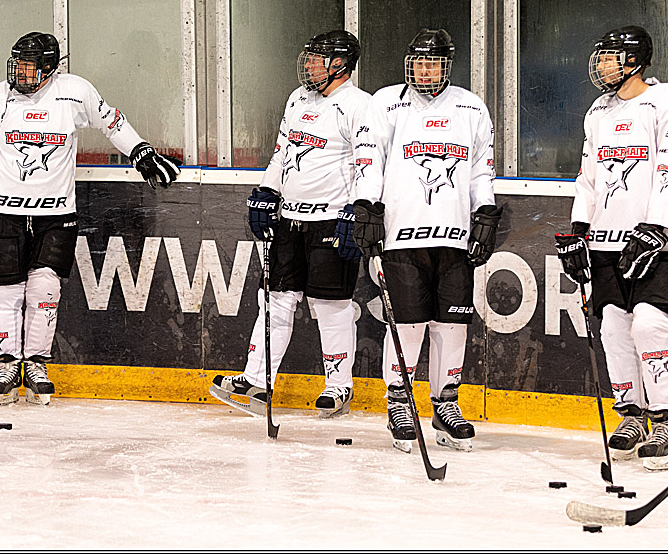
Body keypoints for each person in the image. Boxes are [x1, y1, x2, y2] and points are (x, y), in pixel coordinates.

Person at [0, 32, 180, 406]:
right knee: (6, 291)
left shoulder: (75, 92)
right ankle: (8, 364)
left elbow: (112, 122)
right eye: (16, 65)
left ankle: (37, 364)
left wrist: (140, 151)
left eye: (28, 66)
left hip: (56, 213)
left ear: (49, 67)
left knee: (45, 289)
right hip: (2, 211)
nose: (19, 73)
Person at [556, 25, 668, 471]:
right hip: (605, 240)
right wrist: (579, 229)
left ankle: (665, 421)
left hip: (658, 243)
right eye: (600, 57)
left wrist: (656, 228)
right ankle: (632, 413)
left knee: (650, 327)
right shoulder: (598, 111)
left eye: (609, 57)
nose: (600, 65)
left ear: (634, 60)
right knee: (614, 327)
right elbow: (590, 178)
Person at [352, 28, 500, 452]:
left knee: (453, 325)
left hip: (454, 237)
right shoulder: (386, 102)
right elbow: (369, 157)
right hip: (401, 237)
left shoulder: (471, 107)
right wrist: (367, 206)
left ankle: (445, 404)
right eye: (417, 62)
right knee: (409, 323)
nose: (424, 69)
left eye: (432, 62)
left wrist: (484, 212)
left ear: (447, 66)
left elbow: (479, 170)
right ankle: (399, 400)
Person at [209, 30, 369, 418]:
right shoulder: (298, 98)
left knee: (331, 304)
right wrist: (267, 190)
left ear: (340, 64)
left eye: (318, 58)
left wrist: (358, 209)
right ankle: (258, 381)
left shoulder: (358, 105)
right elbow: (283, 153)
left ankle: (338, 387)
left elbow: (368, 162)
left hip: (332, 220)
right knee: (276, 299)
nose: (309, 64)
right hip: (290, 219)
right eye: (310, 57)